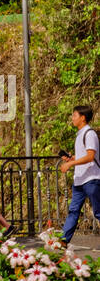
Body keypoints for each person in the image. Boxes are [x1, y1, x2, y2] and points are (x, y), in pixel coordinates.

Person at [60, 105, 100, 244]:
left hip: (91, 179)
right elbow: (83, 155)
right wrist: (72, 158)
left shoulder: (90, 134)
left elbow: (90, 156)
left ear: (82, 118)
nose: (72, 118)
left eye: (74, 115)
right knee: (73, 211)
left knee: (98, 212)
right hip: (79, 180)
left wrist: (70, 164)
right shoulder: (80, 134)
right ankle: (63, 242)